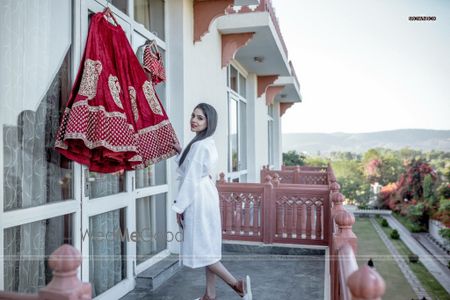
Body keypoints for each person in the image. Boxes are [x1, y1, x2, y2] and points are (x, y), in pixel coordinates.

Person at [171, 103, 252, 300]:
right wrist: (181, 151)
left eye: (200, 118)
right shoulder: (205, 143)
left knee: (203, 248)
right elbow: (193, 169)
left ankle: (237, 285)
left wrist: (179, 207)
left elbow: (191, 178)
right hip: (206, 195)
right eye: (193, 115)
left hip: (198, 199)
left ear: (209, 122)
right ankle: (210, 294)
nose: (194, 120)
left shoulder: (200, 145)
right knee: (208, 247)